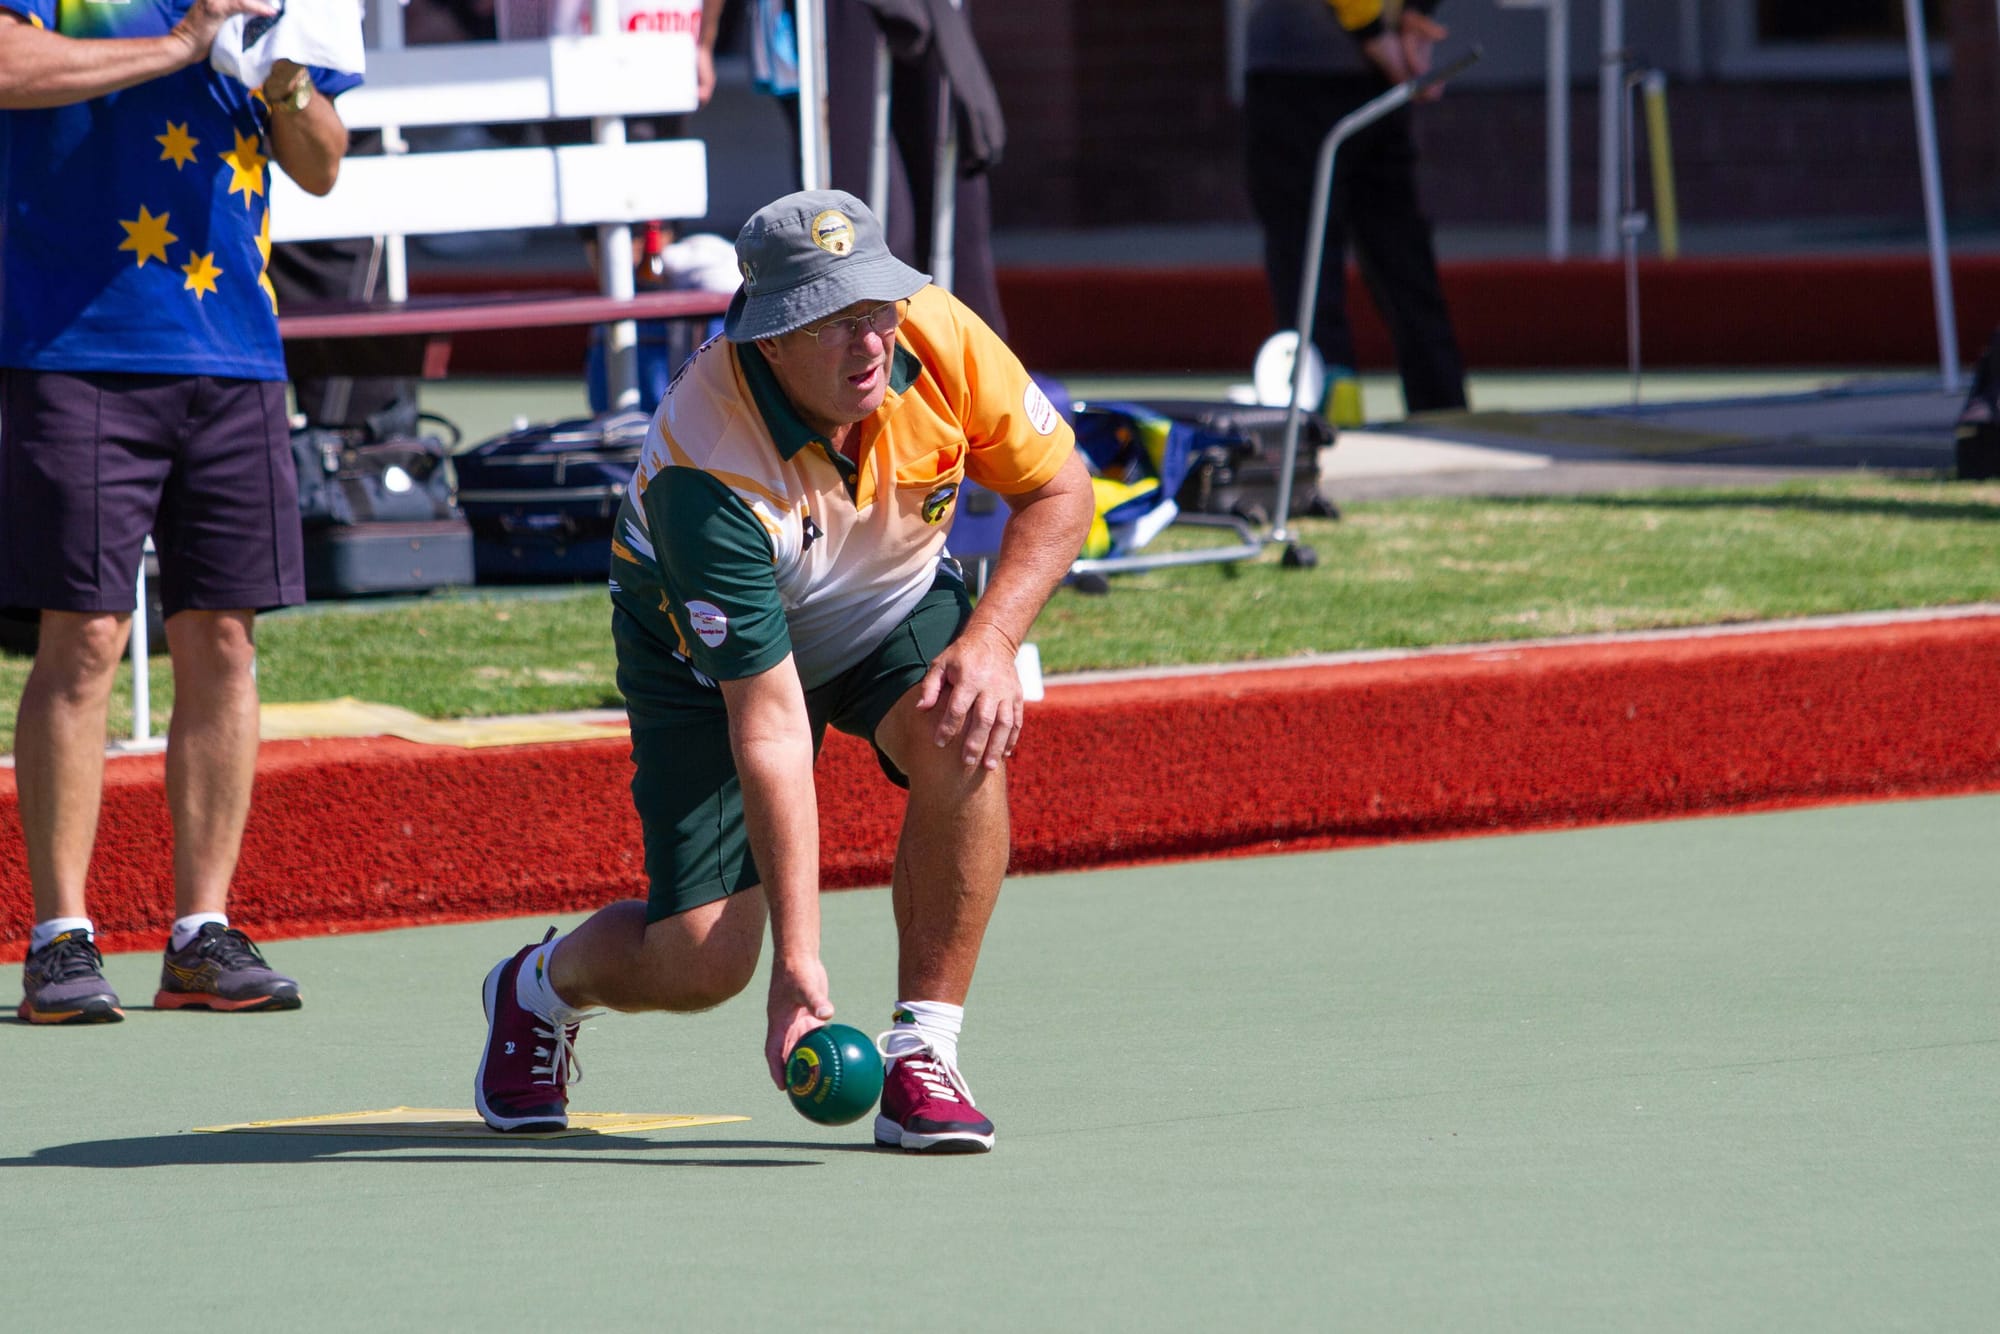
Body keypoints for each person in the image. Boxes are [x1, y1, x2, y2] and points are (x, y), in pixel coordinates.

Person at [474, 189, 1093, 1152]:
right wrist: (796, 968)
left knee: (963, 731)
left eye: (876, 309)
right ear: (769, 338)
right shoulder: (704, 469)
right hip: (704, 662)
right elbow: (771, 728)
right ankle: (535, 988)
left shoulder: (940, 334)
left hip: (888, 601)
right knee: (702, 965)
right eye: (831, 322)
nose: (870, 343)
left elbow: (1060, 487)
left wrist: (992, 640)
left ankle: (924, 1051)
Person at [1, 0, 355, 1022]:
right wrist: (179, 44)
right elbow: (9, 65)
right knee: (85, 638)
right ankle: (59, 934)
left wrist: (279, 79)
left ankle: (202, 930)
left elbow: (324, 162)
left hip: (233, 344)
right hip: (76, 339)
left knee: (227, 638)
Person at [1244, 0, 1468, 424]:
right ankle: (1445, 410)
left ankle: (1328, 421)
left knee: (1309, 258)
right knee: (1398, 256)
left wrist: (1382, 30)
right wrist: (1405, 20)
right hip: (1359, 69)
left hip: (1299, 67)